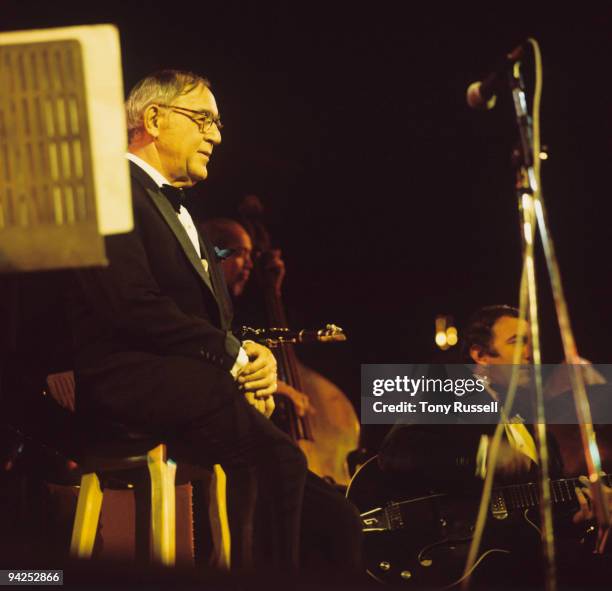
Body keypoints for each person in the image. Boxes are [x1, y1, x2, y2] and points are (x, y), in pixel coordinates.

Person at [67, 70, 360, 573]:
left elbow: (204, 321)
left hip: (188, 382)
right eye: (204, 119)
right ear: (154, 119)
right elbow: (131, 304)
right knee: (282, 462)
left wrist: (256, 358)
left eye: (218, 124)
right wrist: (232, 359)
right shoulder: (109, 186)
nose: (217, 136)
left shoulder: (182, 211)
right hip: (128, 378)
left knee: (340, 519)